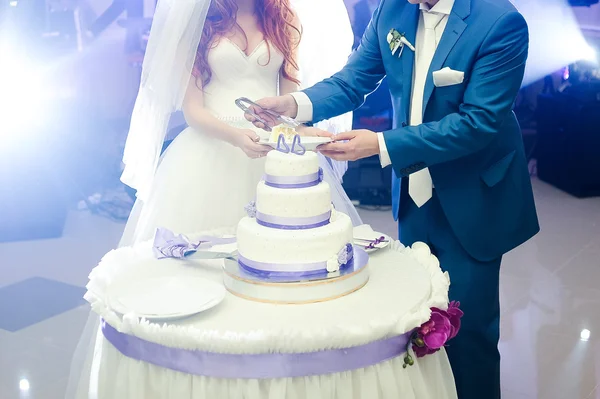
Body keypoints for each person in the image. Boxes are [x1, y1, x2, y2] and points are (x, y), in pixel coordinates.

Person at [248, 0, 540, 398]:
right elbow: (354, 80)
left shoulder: (500, 22)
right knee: (418, 316)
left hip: (474, 195)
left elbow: (478, 123)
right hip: (414, 186)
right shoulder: (393, 11)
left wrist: (381, 144)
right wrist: (294, 106)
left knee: (468, 332)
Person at [66, 0, 359, 396]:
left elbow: (291, 104)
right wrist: (238, 136)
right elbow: (193, 110)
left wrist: (310, 138)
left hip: (267, 154)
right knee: (196, 279)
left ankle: (266, 372)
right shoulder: (200, 21)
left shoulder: (284, 16)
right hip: (208, 151)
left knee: (271, 274)